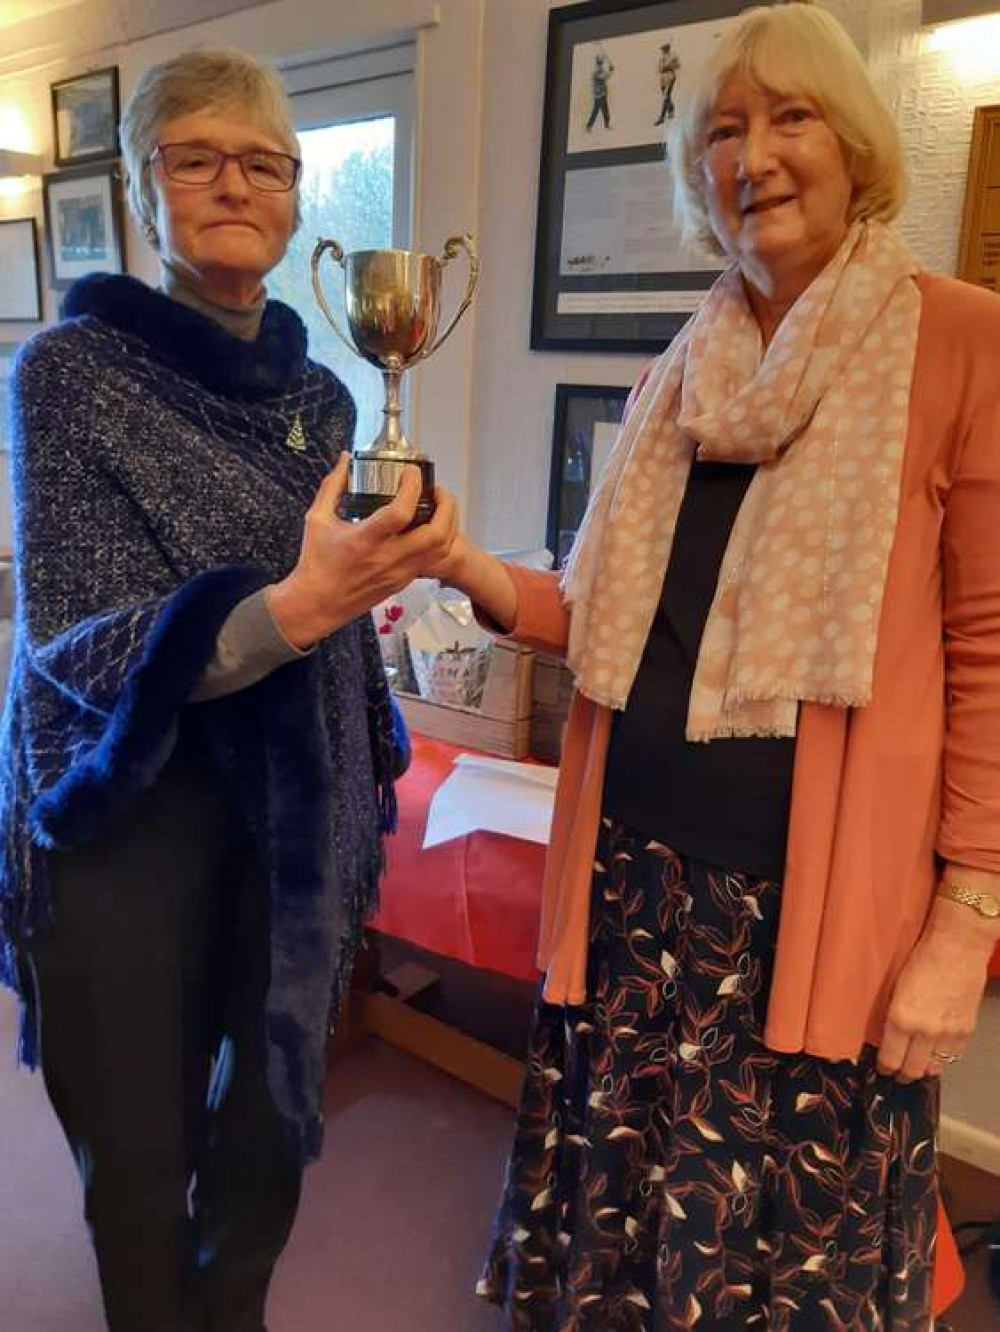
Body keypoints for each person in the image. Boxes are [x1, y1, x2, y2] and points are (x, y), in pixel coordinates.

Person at [425, 6, 1000, 1328]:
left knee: (778, 1249)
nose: (755, 157)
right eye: (723, 133)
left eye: (789, 118)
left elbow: (990, 657)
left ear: (855, 142)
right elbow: (616, 620)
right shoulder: (682, 371)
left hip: (800, 918)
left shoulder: (959, 345)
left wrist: (964, 926)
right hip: (632, 880)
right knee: (625, 1216)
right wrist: (471, 572)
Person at [0, 46, 456, 1332]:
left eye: (263, 161)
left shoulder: (321, 392)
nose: (232, 184)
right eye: (195, 158)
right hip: (124, 815)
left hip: (288, 819)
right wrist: (308, 601)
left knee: (266, 1135)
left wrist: (393, 584)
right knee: (138, 1167)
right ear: (146, 194)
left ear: (299, 197)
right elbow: (77, 637)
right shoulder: (68, 372)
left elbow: (333, 586)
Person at [585, 52, 614, 132]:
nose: (601, 63)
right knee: (596, 110)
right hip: (598, 94)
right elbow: (603, 77)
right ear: (598, 62)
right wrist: (610, 71)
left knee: (604, 109)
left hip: (602, 93)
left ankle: (606, 124)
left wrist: (610, 71)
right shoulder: (597, 71)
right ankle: (589, 126)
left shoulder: (600, 69)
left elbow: (605, 76)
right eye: (600, 62)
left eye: (602, 62)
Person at [654, 41, 681, 126]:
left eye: (665, 48)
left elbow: (678, 65)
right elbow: (658, 69)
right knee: (666, 96)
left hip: (670, 77)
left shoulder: (673, 56)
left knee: (666, 96)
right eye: (663, 49)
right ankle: (671, 109)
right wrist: (662, 67)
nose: (664, 50)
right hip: (663, 78)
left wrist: (671, 66)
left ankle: (661, 117)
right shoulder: (661, 58)